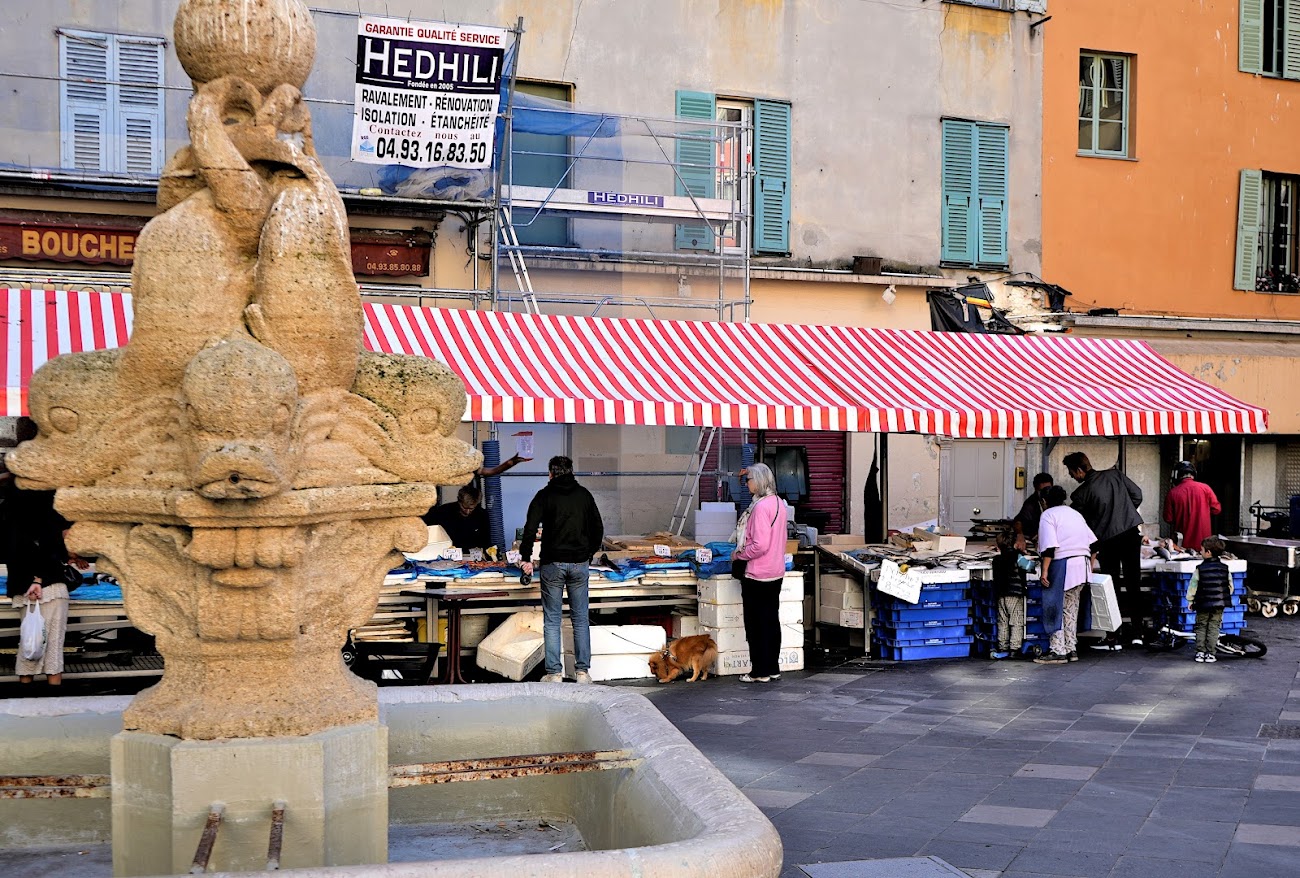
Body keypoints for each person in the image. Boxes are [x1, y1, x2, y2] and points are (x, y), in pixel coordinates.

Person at [519, 456, 604, 684]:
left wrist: (526, 557)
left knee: (553, 620)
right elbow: (598, 528)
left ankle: (554, 673)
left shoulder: (544, 496)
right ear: (571, 472)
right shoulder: (584, 495)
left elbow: (529, 529)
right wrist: (588, 553)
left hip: (552, 564)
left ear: (551, 473)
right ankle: (582, 672)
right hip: (579, 564)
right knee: (580, 619)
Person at [2, 441, 78, 686]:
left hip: (23, 582)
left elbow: (22, 546)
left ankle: (26, 694)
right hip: (46, 583)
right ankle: (52, 696)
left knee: (30, 642)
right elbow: (47, 543)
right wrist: (39, 578)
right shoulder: (44, 503)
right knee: (52, 645)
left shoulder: (11, 506)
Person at [1063, 451, 1143, 641]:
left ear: (1080, 470)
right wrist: (1126, 512)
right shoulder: (1116, 475)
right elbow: (1137, 495)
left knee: (1111, 586)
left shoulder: (1081, 494)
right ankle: (1138, 633)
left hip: (1107, 541)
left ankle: (1113, 635)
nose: (1071, 476)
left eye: (1071, 472)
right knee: (1134, 583)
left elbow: (1079, 522)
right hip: (1131, 534)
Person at [731, 462, 788, 683]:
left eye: (749, 480)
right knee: (771, 621)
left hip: (757, 573)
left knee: (755, 624)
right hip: (776, 571)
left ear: (759, 481)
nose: (747, 484)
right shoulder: (779, 504)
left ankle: (759, 671)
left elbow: (759, 545)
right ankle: (772, 667)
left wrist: (739, 555)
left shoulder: (760, 508)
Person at [1034, 485, 1097, 665]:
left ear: (1044, 501)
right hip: (1082, 565)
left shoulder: (1048, 515)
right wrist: (1089, 567)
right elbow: (1094, 545)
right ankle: (1071, 649)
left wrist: (1044, 571)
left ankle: (1057, 651)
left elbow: (1049, 548)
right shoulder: (1075, 514)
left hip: (1063, 565)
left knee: (1054, 607)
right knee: (1071, 609)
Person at [1187, 536, 1232, 663]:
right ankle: (1211, 653)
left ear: (1208, 552)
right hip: (1219, 603)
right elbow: (1230, 586)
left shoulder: (1200, 569)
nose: (1200, 552)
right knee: (1214, 626)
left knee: (1201, 626)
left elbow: (1193, 586)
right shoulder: (1225, 568)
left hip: (1202, 602)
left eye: (1201, 550)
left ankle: (1200, 652)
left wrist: (1190, 600)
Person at [1163, 461, 1221, 553]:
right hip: (1205, 546)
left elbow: (1168, 518)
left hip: (1182, 546)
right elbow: (1216, 510)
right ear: (1194, 474)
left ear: (1177, 475)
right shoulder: (1206, 488)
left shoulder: (1172, 493)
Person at [990, 529, 1028, 659]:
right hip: (1015, 593)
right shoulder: (1018, 557)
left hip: (1001, 594)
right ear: (1014, 543)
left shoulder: (996, 560)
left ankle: (1003, 646)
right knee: (1016, 620)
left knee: (1003, 620)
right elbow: (1030, 567)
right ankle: (1014, 648)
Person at [422, 484, 490, 551]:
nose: (467, 512)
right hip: (447, 553)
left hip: (473, 555)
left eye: (471, 509)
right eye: (464, 507)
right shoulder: (443, 512)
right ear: (459, 501)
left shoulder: (482, 515)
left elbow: (485, 540)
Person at [1013, 473, 1054, 551]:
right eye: (1042, 491)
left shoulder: (1056, 499)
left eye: (1048, 489)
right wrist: (1020, 535)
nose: (1045, 494)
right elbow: (1018, 520)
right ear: (1036, 489)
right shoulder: (1031, 503)